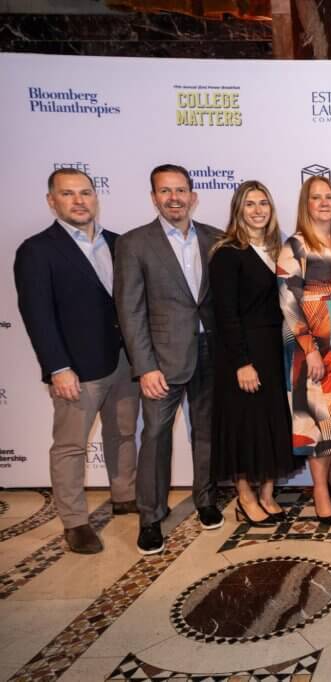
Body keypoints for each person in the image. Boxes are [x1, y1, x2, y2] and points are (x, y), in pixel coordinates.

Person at [14, 168, 140, 554]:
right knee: (70, 445)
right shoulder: (37, 250)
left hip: (124, 359)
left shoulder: (119, 243)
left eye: (85, 193)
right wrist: (57, 367)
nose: (79, 200)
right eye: (68, 194)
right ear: (52, 201)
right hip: (76, 368)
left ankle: (124, 495)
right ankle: (75, 522)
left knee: (121, 433)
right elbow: (38, 315)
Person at [114, 164, 223, 555]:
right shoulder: (134, 243)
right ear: (153, 197)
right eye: (165, 191)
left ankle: (206, 500)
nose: (174, 198)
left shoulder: (216, 238)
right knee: (156, 437)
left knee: (207, 432)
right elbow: (130, 311)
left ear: (193, 196)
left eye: (180, 190)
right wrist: (145, 366)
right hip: (161, 360)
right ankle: (151, 516)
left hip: (211, 353)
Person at [210, 181, 300, 527]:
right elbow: (226, 314)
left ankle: (267, 494)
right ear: (238, 210)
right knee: (244, 426)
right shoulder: (227, 253)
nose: (258, 210)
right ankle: (244, 496)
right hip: (243, 352)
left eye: (264, 203)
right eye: (250, 204)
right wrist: (242, 362)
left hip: (275, 349)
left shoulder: (279, 250)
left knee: (271, 424)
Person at [278, 176, 331, 525]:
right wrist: (309, 348)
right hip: (312, 344)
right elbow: (287, 301)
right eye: (316, 197)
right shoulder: (295, 245)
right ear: (306, 204)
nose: (324, 203)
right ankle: (320, 491)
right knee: (319, 419)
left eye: (330, 197)